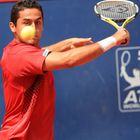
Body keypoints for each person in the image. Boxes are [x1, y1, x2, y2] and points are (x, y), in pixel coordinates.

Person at [0, 0, 130, 139]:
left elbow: (40, 53)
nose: (33, 29)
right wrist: (114, 39)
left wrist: (67, 43)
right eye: (27, 23)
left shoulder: (20, 52)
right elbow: (68, 60)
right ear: (13, 27)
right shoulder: (19, 55)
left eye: (38, 22)